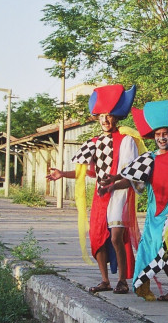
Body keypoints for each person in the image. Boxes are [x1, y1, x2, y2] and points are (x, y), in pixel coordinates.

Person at [46, 84, 144, 295]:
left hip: (118, 195)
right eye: (101, 116)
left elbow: (130, 175)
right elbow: (85, 172)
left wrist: (113, 184)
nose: (105, 120)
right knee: (97, 238)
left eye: (108, 115)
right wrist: (63, 174)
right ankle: (105, 280)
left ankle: (122, 281)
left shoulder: (127, 141)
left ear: (116, 118)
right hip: (101, 197)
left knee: (117, 236)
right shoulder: (93, 142)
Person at [100, 100, 168, 302]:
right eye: (158, 135)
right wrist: (114, 181)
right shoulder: (148, 158)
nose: (161, 138)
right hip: (154, 213)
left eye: (165, 134)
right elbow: (133, 180)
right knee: (159, 249)